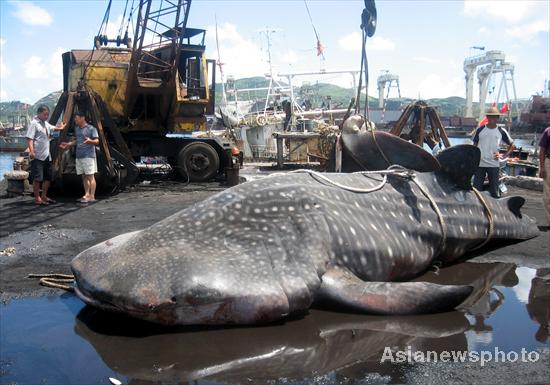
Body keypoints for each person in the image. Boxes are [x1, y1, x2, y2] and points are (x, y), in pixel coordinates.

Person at [25, 105, 65, 205]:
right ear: (39, 113)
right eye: (45, 114)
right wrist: (32, 151)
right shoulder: (34, 124)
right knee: (38, 178)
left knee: (48, 177)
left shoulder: (45, 123)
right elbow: (29, 138)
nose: (46, 116)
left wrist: (61, 127)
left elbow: (54, 128)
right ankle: (37, 198)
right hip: (38, 155)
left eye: (47, 114)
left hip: (47, 155)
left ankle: (44, 196)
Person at [472, 106, 515, 198]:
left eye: (495, 116)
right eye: (490, 116)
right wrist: (473, 159)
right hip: (480, 164)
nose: (492, 118)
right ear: (487, 117)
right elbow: (474, 146)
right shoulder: (480, 130)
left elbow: (512, 145)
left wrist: (504, 155)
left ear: (498, 118)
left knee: (495, 190)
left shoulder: (501, 131)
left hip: (494, 164)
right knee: (476, 189)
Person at [59, 112, 99, 203]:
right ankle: (86, 194)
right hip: (79, 155)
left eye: (76, 118)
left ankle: (92, 196)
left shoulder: (91, 128)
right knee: (84, 176)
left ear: (82, 118)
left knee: (90, 176)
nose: (75, 120)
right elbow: (78, 141)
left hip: (88, 155)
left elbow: (96, 141)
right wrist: (68, 144)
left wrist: (90, 141)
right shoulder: (77, 129)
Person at [539, 126, 550, 230]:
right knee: (548, 194)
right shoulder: (548, 131)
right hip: (549, 163)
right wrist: (542, 167)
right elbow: (542, 150)